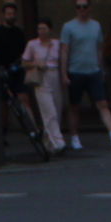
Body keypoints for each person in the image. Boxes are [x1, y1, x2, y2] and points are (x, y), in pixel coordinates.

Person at [59, 0, 111, 149]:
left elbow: (99, 49)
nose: (82, 9)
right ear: (75, 9)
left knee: (102, 103)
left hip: (93, 71)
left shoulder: (96, 26)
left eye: (84, 6)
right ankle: (74, 137)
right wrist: (64, 74)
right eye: (79, 6)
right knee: (74, 106)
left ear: (90, 8)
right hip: (75, 71)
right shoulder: (68, 27)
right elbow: (64, 51)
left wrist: (101, 69)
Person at [22, 18, 65, 153]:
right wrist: (36, 63)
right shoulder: (32, 44)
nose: (41, 31)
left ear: (50, 30)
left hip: (55, 76)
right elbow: (24, 62)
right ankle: (59, 142)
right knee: (49, 110)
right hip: (41, 78)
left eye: (44, 28)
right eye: (39, 28)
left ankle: (47, 143)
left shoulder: (57, 44)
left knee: (56, 111)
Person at [0, 1, 32, 123]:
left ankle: (33, 127)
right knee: (2, 103)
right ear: (3, 15)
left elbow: (23, 51)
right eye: (8, 13)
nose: (11, 16)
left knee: (24, 97)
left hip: (17, 70)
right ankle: (3, 131)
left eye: (13, 13)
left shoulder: (19, 32)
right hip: (2, 71)